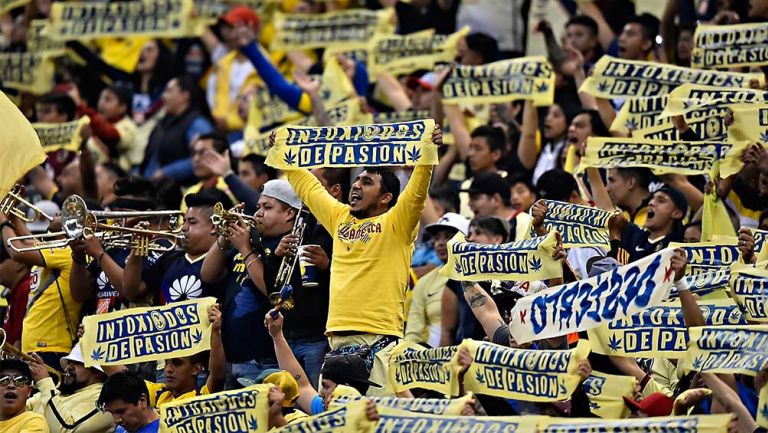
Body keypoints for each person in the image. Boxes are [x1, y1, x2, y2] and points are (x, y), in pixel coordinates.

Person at [274, 128, 441, 391]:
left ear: (386, 198)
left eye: (367, 182)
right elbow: (308, 188)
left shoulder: (397, 223)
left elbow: (417, 195)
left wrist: (425, 157)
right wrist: (283, 154)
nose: (356, 185)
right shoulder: (340, 218)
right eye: (358, 179)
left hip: (378, 340)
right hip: (334, 341)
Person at [1, 208, 81, 371]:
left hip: (51, 347)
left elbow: (15, 249)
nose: (54, 216)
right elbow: (28, 240)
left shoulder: (67, 252)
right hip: (35, 347)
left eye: (60, 215)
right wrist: (14, 214)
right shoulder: (54, 249)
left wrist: (3, 221)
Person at [265, 310, 379, 416]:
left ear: (345, 389)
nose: (320, 393)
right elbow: (300, 385)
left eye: (326, 386)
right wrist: (277, 336)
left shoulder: (376, 420)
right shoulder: (323, 409)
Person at [123, 189, 228, 305]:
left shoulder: (225, 260)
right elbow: (131, 293)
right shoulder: (169, 258)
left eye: (192, 222)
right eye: (184, 221)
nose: (183, 228)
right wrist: (136, 250)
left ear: (214, 227)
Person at [405, 212, 468, 347]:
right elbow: (413, 332)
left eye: (448, 237)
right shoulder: (424, 282)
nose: (440, 243)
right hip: (431, 359)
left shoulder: (478, 277)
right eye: (437, 238)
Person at [140, 76, 214, 183]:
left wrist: (166, 172)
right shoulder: (165, 122)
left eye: (169, 91)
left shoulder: (198, 124)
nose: (163, 96)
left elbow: (207, 156)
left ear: (185, 95)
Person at [26, 346, 113, 433]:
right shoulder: (60, 391)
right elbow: (20, 410)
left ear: (98, 372)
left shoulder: (104, 397)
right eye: (68, 362)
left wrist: (44, 382)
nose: (68, 367)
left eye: (77, 362)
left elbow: (66, 430)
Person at [180, 133, 238, 213]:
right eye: (194, 153)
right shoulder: (190, 192)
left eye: (203, 152)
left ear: (223, 155)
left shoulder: (234, 189)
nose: (196, 159)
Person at [0, 359, 48, 433]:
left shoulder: (34, 421)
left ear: (29, 391)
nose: (11, 385)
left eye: (20, 381)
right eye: (3, 380)